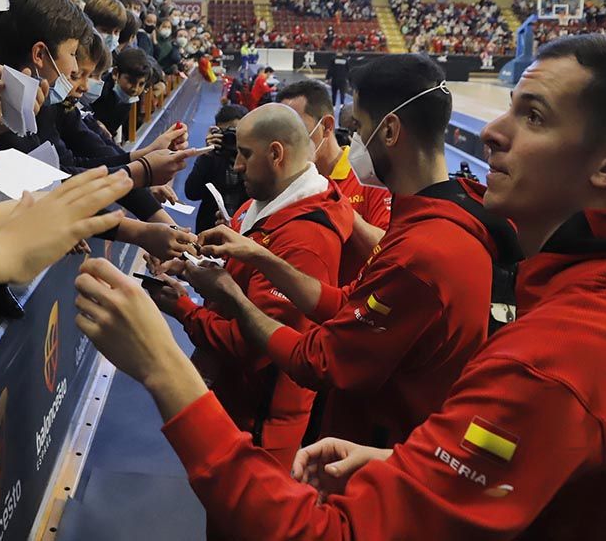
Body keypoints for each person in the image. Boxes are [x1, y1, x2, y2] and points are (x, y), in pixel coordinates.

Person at [74, 36, 606, 540]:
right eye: (510, 105)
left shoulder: (564, 356)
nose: (493, 133)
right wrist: (399, 462)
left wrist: (162, 365)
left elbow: (327, 523)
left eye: (533, 116)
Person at [194, 55, 519, 449]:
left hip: (383, 455)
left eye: (359, 128)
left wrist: (228, 297)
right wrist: (259, 256)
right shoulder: (441, 212)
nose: (354, 142)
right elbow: (347, 302)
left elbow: (319, 361)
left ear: (390, 131)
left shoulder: (423, 251)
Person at [151, 104, 354, 473]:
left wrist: (183, 307)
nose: (237, 166)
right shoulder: (259, 203)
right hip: (237, 400)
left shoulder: (305, 241)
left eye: (245, 155)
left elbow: (257, 344)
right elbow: (239, 279)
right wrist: (194, 263)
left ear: (276, 153)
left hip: (263, 422)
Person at [277, 78, 391, 284]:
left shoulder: (369, 176)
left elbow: (388, 251)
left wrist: (339, 207)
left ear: (327, 126)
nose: (288, 142)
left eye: (297, 131)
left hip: (349, 306)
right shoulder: (283, 179)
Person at [183, 104, 247, 234]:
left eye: (234, 132)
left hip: (245, 231)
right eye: (225, 133)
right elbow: (191, 193)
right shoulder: (212, 157)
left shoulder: (255, 159)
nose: (230, 137)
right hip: (210, 230)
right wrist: (207, 154)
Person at [91, 46, 149, 138]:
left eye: (141, 84)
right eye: (131, 81)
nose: (135, 89)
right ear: (115, 74)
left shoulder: (127, 97)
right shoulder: (97, 90)